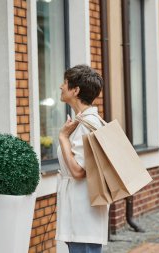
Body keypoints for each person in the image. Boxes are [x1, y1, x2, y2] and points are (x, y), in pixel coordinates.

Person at [56, 64, 109, 253]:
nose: (61, 87)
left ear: (76, 90)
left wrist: (63, 138)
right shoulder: (85, 122)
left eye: (65, 83)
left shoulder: (87, 125)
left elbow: (78, 171)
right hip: (82, 211)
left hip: (83, 212)